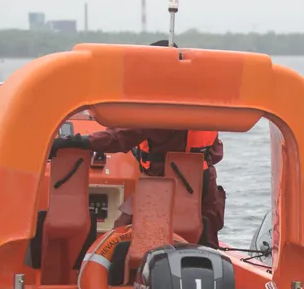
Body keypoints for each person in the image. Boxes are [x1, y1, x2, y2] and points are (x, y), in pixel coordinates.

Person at [50, 40, 228, 248]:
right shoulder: (203, 102)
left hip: (163, 186)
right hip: (205, 186)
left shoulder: (157, 108)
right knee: (208, 244)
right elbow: (216, 151)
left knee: (118, 231)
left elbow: (119, 138)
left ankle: (104, 269)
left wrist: (77, 141)